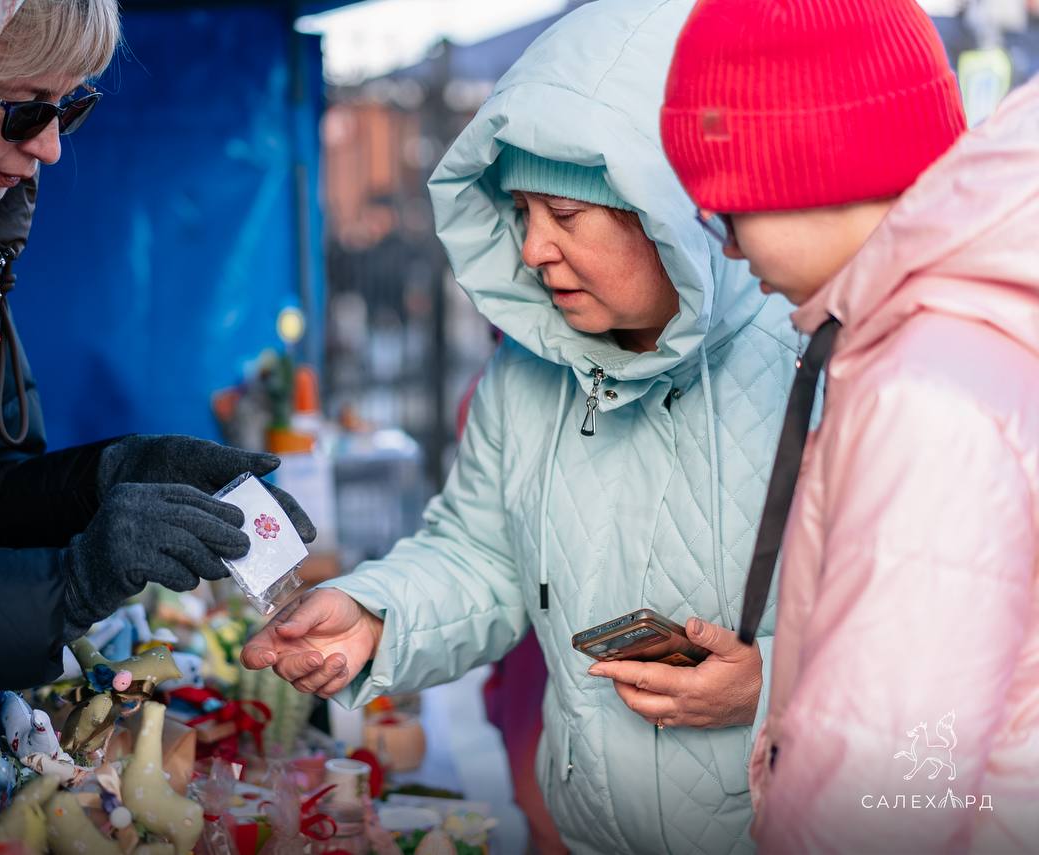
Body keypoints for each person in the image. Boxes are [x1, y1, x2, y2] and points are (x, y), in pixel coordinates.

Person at [243, 2, 801, 851]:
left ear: (668, 211)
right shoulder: (526, 371)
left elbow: (933, 649)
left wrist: (771, 691)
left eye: (566, 215)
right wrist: (376, 618)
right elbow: (482, 556)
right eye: (523, 212)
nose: (534, 248)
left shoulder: (815, 364)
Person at [0, 0, 313, 842]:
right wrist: (65, 587)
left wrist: (111, 478)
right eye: (24, 108)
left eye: (69, 108)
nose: (49, 146)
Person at [662, 1, 1039, 850]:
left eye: (726, 212)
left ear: (810, 169)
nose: (728, 249)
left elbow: (888, 782)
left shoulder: (922, 394)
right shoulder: (954, 335)